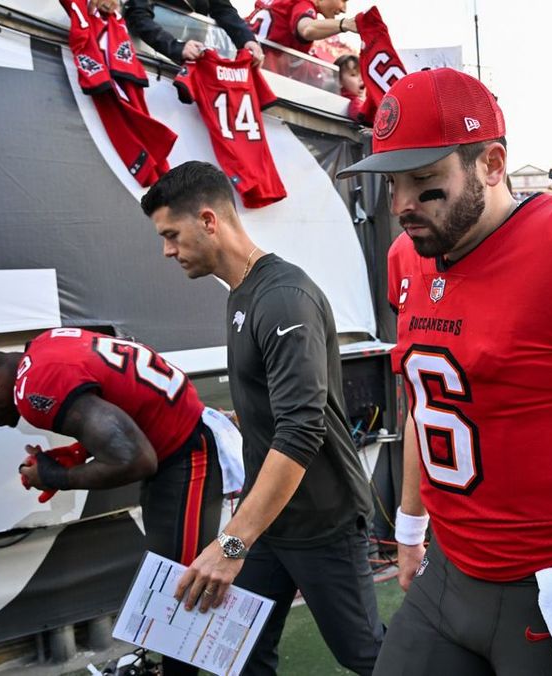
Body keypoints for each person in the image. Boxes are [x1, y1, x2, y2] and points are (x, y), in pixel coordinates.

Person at [336, 68, 552, 676]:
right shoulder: (413, 253)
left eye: (425, 182)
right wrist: (411, 523)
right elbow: (427, 404)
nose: (402, 205)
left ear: (491, 164)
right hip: (449, 570)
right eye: (391, 182)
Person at [141, 161, 383, 676]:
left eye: (171, 234)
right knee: (242, 651)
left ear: (208, 221)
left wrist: (232, 543)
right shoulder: (242, 292)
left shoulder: (282, 297)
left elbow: (301, 430)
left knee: (367, 656)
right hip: (270, 521)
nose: (166, 250)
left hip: (322, 520)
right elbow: (279, 405)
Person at [0, 329, 233, 676]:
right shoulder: (44, 346)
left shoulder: (34, 391)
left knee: (179, 590)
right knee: (171, 583)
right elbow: (120, 398)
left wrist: (54, 477)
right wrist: (79, 452)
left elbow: (135, 460)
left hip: (184, 453)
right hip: (176, 444)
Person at [120, 0, 265, 67]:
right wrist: (176, 47)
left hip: (192, 62)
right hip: (146, 60)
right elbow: (137, 15)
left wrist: (247, 40)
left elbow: (223, 10)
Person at [248, 0, 354, 77]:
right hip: (263, 73)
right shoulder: (303, 4)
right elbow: (306, 29)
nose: (344, 9)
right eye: (343, 0)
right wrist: (345, 24)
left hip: (246, 66)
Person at [335, 53, 372, 124]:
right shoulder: (354, 101)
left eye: (363, 74)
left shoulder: (363, 98)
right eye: (353, 75)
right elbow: (359, 114)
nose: (361, 78)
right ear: (339, 80)